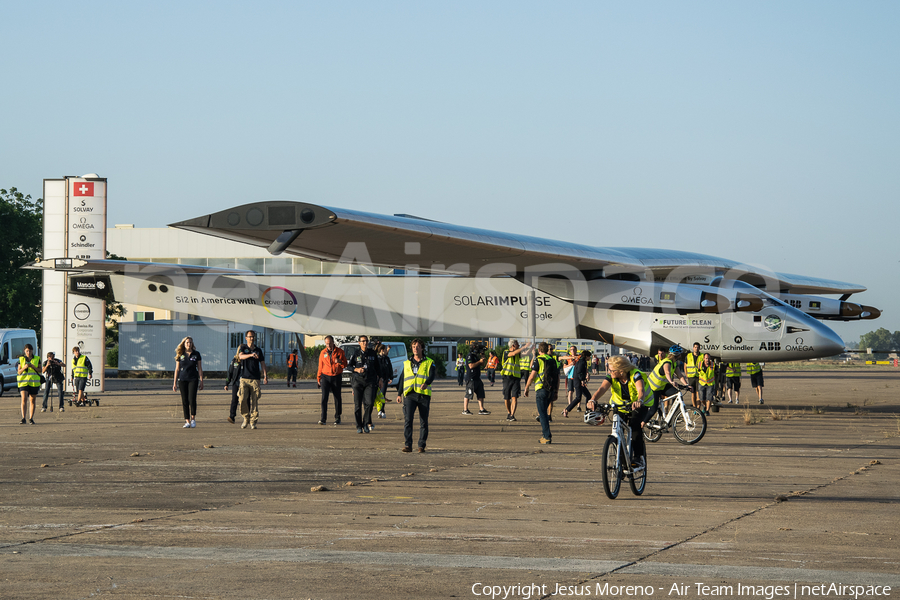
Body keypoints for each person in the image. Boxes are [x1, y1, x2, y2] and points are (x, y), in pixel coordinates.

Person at [587, 355, 654, 468]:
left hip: (639, 405)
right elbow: (602, 388)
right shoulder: (612, 376)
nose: (609, 372)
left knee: (634, 427)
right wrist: (592, 399)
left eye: (612, 370)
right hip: (620, 406)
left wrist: (639, 401)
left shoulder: (635, 374)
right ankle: (622, 460)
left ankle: (639, 457)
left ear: (621, 371)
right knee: (618, 430)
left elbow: (640, 390)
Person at [395, 338, 435, 453]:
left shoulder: (429, 362)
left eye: (417, 346)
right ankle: (408, 445)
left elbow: (432, 375)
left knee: (423, 421)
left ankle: (421, 445)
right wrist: (399, 394)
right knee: (408, 420)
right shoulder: (407, 363)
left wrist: (426, 383)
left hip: (423, 395)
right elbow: (402, 378)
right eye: (413, 347)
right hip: (410, 395)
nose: (415, 349)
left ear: (422, 348)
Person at [522, 342, 559, 444]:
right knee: (544, 413)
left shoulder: (538, 360)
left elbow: (532, 376)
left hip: (541, 389)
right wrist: (556, 391)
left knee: (542, 414)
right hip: (551, 390)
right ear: (547, 349)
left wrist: (526, 387)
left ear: (539, 350)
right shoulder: (552, 360)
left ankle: (546, 436)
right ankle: (545, 435)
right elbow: (557, 377)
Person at [348, 335, 381, 433]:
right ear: (359, 343)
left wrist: (381, 379)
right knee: (357, 405)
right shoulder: (356, 353)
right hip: (358, 381)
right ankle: (359, 426)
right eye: (363, 341)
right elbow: (349, 366)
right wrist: (356, 369)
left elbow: (378, 367)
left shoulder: (372, 353)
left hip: (370, 381)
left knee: (370, 403)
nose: (365, 343)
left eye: (366, 341)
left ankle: (365, 423)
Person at [238, 330, 268, 429]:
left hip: (255, 379)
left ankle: (253, 421)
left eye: (253, 337)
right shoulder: (243, 348)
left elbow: (262, 363)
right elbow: (240, 356)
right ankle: (245, 418)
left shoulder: (258, 350)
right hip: (244, 378)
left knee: (255, 400)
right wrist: (251, 355)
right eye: (250, 337)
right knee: (242, 399)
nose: (252, 338)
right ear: (246, 338)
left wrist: (265, 376)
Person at [647, 345, 689, 414]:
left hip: (662, 385)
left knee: (677, 394)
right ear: (677, 355)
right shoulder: (667, 362)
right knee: (653, 409)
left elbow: (680, 375)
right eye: (680, 354)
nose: (681, 355)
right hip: (654, 387)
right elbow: (667, 372)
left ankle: (672, 415)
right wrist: (672, 382)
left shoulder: (674, 363)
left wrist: (686, 385)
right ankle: (642, 424)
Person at [173, 336, 203, 428]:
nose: (189, 344)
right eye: (187, 342)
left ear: (192, 344)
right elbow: (177, 369)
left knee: (192, 399)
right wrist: (174, 383)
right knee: (184, 400)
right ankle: (187, 420)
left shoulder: (196, 354)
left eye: (190, 342)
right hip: (182, 379)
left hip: (193, 379)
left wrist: (201, 380)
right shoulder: (180, 354)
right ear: (184, 344)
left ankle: (193, 418)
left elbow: (200, 368)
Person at [317, 335, 347, 425]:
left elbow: (345, 364)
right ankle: (323, 418)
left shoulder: (340, 352)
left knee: (337, 398)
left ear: (333, 342)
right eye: (327, 343)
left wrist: (340, 362)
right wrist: (318, 377)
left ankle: (337, 417)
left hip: (336, 376)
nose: (328, 345)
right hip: (325, 377)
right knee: (324, 398)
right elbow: (320, 366)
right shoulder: (323, 353)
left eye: (330, 343)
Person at [498, 340, 528, 421]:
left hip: (516, 377)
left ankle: (512, 415)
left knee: (515, 397)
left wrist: (531, 348)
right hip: (507, 377)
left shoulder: (518, 354)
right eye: (518, 344)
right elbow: (513, 354)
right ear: (513, 345)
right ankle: (509, 412)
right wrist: (524, 347)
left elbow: (525, 354)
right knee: (507, 397)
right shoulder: (506, 352)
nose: (519, 345)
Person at [562, 350, 592, 417]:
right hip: (578, 381)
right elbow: (579, 372)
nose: (590, 358)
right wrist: (582, 380)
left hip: (579, 381)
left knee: (588, 396)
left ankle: (588, 411)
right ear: (586, 356)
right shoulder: (581, 362)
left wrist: (584, 379)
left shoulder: (583, 361)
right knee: (578, 398)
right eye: (589, 356)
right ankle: (566, 410)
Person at [461, 344, 489, 415]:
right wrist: (479, 361)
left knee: (481, 393)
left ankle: (481, 409)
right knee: (469, 394)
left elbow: (482, 364)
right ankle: (465, 409)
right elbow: (471, 366)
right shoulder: (470, 356)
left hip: (477, 378)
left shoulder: (476, 356)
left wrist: (482, 356)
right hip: (471, 378)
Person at [18, 343, 41, 424]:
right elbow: (19, 372)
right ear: (24, 351)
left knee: (32, 400)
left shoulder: (37, 358)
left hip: (33, 383)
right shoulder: (21, 359)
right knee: (24, 399)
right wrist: (25, 367)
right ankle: (23, 418)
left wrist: (33, 367)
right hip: (23, 382)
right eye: (27, 351)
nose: (28, 352)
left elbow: (40, 370)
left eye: (30, 351)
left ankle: (31, 418)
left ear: (32, 351)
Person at [224, 350, 242, 423]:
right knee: (234, 400)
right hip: (236, 383)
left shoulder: (247, 360)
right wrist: (227, 383)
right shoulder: (235, 360)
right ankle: (232, 416)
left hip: (245, 383)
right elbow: (230, 372)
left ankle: (247, 416)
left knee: (245, 401)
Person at [376, 343, 394, 419]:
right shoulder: (377, 359)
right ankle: (380, 410)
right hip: (378, 380)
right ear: (382, 350)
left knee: (382, 395)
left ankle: (381, 411)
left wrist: (391, 377)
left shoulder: (387, 359)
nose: (387, 351)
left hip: (385, 380)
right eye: (386, 350)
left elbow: (390, 368)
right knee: (378, 395)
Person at [684, 342, 703, 408]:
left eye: (697, 347)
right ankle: (694, 407)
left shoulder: (702, 356)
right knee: (693, 393)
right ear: (693, 348)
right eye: (695, 347)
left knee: (698, 393)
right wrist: (686, 375)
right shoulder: (688, 356)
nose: (696, 349)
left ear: (699, 348)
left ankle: (698, 407)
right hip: (691, 377)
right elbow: (685, 366)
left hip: (699, 377)